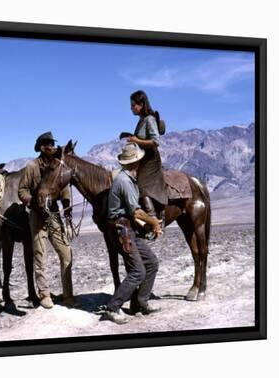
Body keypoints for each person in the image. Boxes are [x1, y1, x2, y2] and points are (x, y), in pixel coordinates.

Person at [104, 143, 162, 324]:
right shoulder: (124, 182)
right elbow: (136, 211)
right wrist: (153, 223)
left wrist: (145, 226)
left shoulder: (128, 179)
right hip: (122, 231)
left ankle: (140, 302)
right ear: (135, 163)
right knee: (138, 271)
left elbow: (132, 213)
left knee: (151, 263)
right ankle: (112, 307)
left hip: (129, 229)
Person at [18, 132, 76, 309]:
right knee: (40, 256)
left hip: (54, 213)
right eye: (48, 144)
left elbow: (64, 188)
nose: (51, 146)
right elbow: (22, 190)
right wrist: (32, 201)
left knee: (66, 253)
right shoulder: (32, 167)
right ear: (41, 148)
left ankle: (68, 295)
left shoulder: (57, 165)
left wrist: (67, 205)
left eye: (52, 143)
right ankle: (44, 295)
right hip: (37, 216)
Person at [123, 90, 168, 236]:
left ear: (141, 104)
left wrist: (136, 140)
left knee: (141, 184)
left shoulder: (149, 119)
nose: (131, 108)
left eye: (133, 105)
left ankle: (153, 219)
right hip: (141, 157)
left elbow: (155, 141)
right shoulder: (141, 120)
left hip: (151, 159)